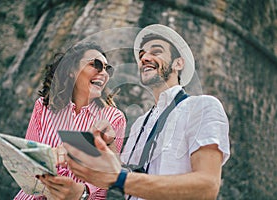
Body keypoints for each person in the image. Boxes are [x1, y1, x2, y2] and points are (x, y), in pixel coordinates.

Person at [63, 24, 230, 200]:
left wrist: (118, 179)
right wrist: (109, 146)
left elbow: (207, 187)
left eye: (156, 52)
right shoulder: (139, 124)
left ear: (178, 63)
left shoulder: (202, 107)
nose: (144, 58)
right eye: (142, 55)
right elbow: (129, 175)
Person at [14, 42, 126, 200]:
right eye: (96, 64)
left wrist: (81, 191)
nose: (104, 73)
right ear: (71, 70)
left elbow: (108, 180)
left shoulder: (114, 119)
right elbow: (25, 163)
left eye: (108, 68)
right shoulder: (43, 106)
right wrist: (49, 157)